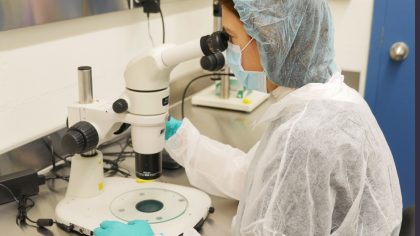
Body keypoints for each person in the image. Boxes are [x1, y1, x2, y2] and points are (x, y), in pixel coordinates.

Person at [95, 0, 402, 235]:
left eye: (231, 37)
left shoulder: (305, 135)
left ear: (271, 39)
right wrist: (180, 137)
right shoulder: (329, 101)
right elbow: (253, 176)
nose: (229, 50)